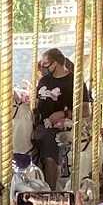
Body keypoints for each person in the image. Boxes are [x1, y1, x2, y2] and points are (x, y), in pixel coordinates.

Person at [30, 49, 74, 180]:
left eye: (45, 64)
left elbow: (85, 110)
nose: (42, 67)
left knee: (49, 145)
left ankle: (50, 189)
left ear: (55, 64)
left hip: (58, 127)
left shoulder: (73, 81)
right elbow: (37, 104)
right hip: (40, 124)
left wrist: (62, 114)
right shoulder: (44, 81)